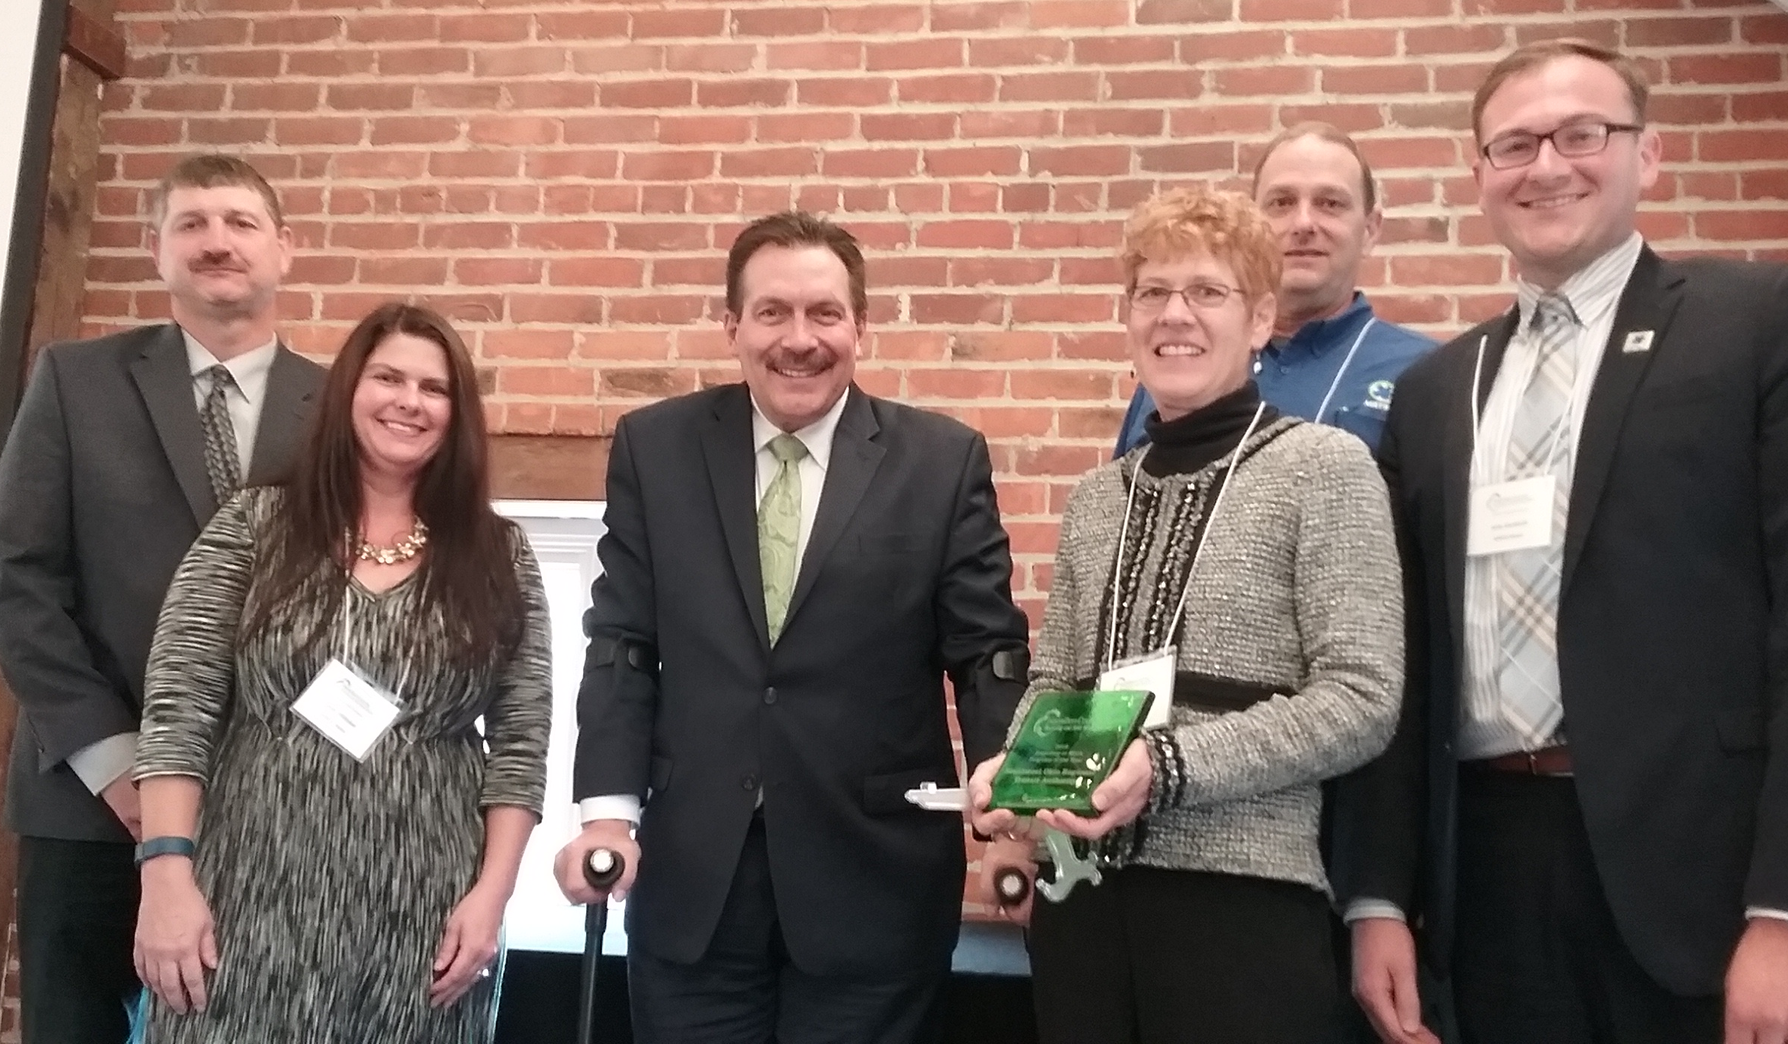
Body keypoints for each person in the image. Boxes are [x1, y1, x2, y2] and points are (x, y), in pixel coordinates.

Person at [1337, 39, 1788, 1044]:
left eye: (1581, 134)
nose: (1546, 164)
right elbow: (1402, 659)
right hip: (1490, 876)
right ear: (1478, 177)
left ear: (1648, 157)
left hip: (1705, 882)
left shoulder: (1764, 325)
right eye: (1512, 145)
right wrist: (1379, 895)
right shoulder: (1434, 392)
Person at [553, 211, 1031, 1044]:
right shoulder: (655, 448)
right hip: (693, 884)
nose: (799, 340)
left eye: (825, 314)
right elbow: (624, 643)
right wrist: (604, 813)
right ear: (732, 325)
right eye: (772, 312)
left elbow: (985, 650)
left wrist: (1011, 807)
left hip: (873, 886)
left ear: (862, 328)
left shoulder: (942, 461)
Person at [970, 186, 1404, 1044]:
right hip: (1082, 903)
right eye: (1153, 292)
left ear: (1259, 320)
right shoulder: (1100, 497)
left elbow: (1362, 697)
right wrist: (1014, 779)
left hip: (1241, 907)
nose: (1176, 314)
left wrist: (1163, 766)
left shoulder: (1327, 470)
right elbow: (1059, 680)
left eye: (1207, 292)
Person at [127, 302, 553, 1042]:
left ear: (458, 414)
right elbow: (177, 709)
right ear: (349, 390)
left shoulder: (499, 554)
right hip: (248, 889)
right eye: (387, 376)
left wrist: (492, 895)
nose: (408, 401)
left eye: (434, 387)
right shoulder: (254, 526)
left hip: (426, 906)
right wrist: (165, 874)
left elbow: (522, 744)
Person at [0, 153, 326, 1044]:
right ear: (155, 251)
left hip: (269, 804)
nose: (218, 242)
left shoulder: (340, 408)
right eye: (192, 223)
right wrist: (116, 760)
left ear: (285, 249)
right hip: (91, 804)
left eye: (241, 223)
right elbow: (19, 581)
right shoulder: (74, 382)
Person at [1114, 123, 1436, 455]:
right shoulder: (1184, 361)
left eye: (1330, 203)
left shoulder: (1425, 374)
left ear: (1370, 230)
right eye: (1282, 203)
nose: (1303, 224)